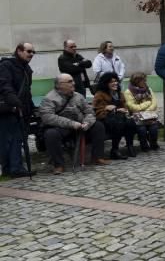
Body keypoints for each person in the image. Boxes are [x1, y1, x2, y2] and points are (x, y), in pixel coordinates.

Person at [41, 74, 110, 173]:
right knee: (51, 134)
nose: (73, 83)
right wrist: (71, 123)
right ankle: (58, 164)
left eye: (72, 80)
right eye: (69, 81)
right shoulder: (49, 99)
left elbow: (89, 112)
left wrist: (87, 122)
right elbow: (48, 117)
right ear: (59, 85)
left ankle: (98, 157)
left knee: (98, 126)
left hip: (81, 125)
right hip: (62, 127)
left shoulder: (78, 96)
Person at [0, 43, 36, 178]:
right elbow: (4, 86)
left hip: (22, 108)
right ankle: (12, 168)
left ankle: (14, 167)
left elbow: (27, 90)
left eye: (33, 52)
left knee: (18, 138)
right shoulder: (6, 66)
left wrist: (30, 106)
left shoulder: (27, 69)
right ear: (19, 51)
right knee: (9, 139)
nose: (31, 54)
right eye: (29, 51)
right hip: (8, 108)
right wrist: (14, 101)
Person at [92, 73, 137, 159]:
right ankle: (114, 150)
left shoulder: (119, 94)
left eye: (116, 81)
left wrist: (125, 110)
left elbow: (124, 107)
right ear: (105, 84)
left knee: (130, 122)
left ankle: (130, 145)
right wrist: (110, 109)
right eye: (112, 82)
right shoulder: (100, 94)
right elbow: (96, 110)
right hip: (105, 120)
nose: (115, 83)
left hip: (119, 118)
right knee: (119, 122)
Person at [124, 72, 160, 151]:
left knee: (154, 127)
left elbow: (154, 102)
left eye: (145, 80)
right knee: (142, 129)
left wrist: (147, 110)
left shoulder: (148, 89)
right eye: (143, 80)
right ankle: (143, 144)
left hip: (149, 114)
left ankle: (153, 143)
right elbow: (132, 107)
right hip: (136, 116)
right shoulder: (128, 92)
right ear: (137, 81)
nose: (145, 82)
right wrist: (147, 104)